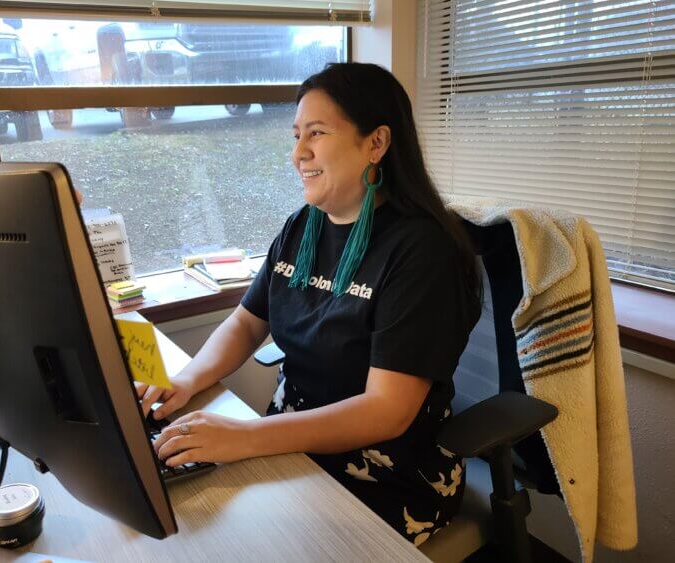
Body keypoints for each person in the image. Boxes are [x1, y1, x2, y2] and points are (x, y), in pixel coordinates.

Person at [139, 62, 482, 548]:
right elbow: (245, 324)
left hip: (389, 474)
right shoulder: (304, 225)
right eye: (296, 135)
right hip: (290, 442)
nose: (298, 153)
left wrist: (244, 438)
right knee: (188, 524)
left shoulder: (422, 252)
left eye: (316, 133)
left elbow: (386, 411)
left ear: (376, 143)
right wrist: (186, 381)